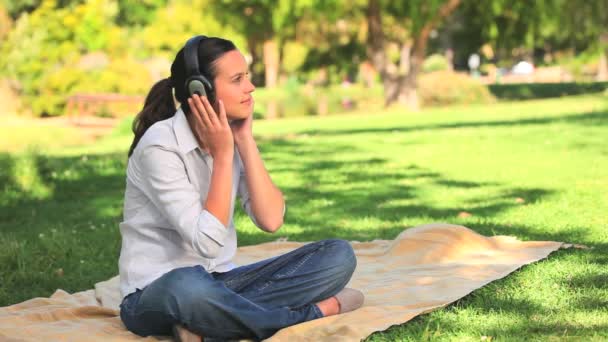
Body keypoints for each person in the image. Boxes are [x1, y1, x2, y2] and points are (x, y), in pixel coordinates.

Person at [118, 35, 364, 341]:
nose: (250, 88)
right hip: (157, 293)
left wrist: (245, 140)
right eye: (237, 79)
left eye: (247, 77)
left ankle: (206, 326)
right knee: (188, 287)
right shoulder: (160, 146)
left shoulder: (232, 134)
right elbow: (206, 244)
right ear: (201, 90)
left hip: (223, 283)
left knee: (338, 255)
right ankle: (315, 312)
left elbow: (271, 220)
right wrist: (223, 156)